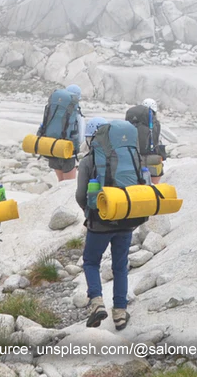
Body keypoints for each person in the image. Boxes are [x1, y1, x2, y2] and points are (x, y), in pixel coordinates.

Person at [75, 117, 142, 331]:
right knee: (120, 266)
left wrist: (90, 210)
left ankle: (97, 303)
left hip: (100, 221)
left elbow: (80, 195)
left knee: (91, 262)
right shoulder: (130, 156)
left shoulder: (88, 161)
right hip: (127, 218)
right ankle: (120, 314)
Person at [40, 83, 83, 182]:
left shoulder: (53, 109)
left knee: (60, 182)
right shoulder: (77, 115)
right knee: (67, 185)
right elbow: (80, 138)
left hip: (52, 148)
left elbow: (43, 126)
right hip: (68, 152)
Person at [125, 98, 168, 184]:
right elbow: (172, 139)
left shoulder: (131, 122)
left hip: (132, 160)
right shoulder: (156, 124)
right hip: (153, 161)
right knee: (155, 186)